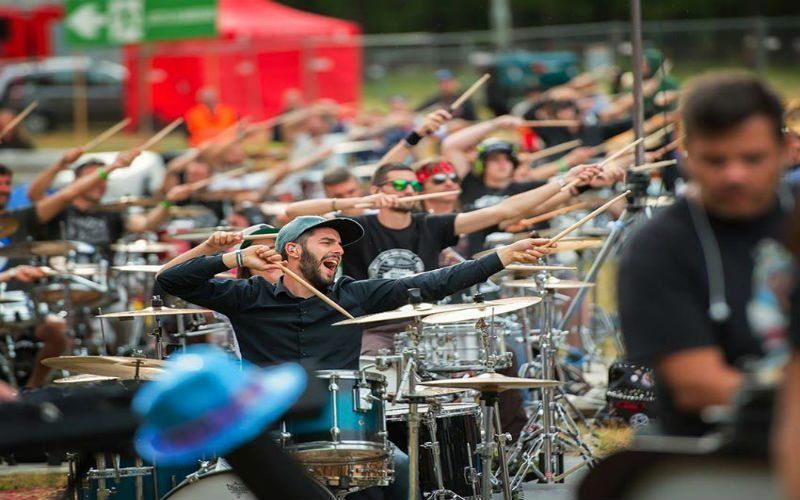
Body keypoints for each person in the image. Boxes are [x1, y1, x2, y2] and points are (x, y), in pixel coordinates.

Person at [156, 215, 551, 500]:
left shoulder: (354, 294)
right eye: (326, 242)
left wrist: (501, 256)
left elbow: (433, 283)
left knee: (400, 470)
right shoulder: (247, 296)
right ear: (292, 250)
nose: (338, 250)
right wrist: (234, 259)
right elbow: (169, 280)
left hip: (344, 433)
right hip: (269, 430)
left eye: (339, 245)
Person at [618, 72, 794, 436]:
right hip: (719, 451)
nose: (735, 175)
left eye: (753, 158)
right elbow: (698, 386)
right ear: (686, 155)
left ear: (785, 150)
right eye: (715, 160)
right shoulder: (658, 247)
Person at [35, 154, 195, 256]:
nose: (100, 183)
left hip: (102, 284)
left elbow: (145, 224)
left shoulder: (111, 211)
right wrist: (61, 163)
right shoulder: (58, 209)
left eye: (104, 178)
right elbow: (35, 194)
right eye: (94, 178)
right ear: (78, 181)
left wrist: (168, 201)